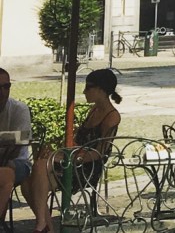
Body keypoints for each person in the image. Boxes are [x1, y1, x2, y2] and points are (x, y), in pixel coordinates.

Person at [22, 68, 121, 233]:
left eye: (89, 87)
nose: (84, 91)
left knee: (39, 168)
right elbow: (77, 141)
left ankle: (43, 226)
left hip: (86, 168)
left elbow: (99, 153)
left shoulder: (111, 116)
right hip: (72, 161)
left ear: (101, 90)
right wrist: (57, 151)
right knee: (27, 182)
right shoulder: (94, 110)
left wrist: (64, 157)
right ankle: (45, 226)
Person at [0, 68, 32, 224]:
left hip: (18, 163)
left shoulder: (19, 109)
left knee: (7, 171)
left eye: (6, 86)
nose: (2, 91)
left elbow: (17, 147)